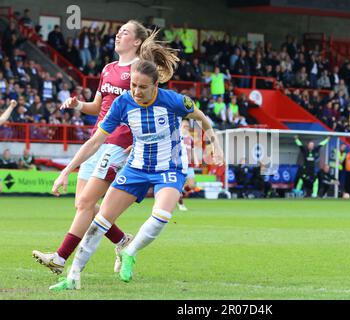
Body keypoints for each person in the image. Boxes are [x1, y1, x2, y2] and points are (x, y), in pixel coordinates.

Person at [48, 60, 224, 290]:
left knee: (161, 214)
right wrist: (67, 170)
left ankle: (130, 251)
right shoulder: (123, 103)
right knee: (101, 220)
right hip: (136, 168)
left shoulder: (173, 100)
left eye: (142, 87)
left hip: (168, 167)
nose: (136, 92)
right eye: (133, 85)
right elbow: (95, 142)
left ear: (155, 86)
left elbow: (201, 118)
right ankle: (72, 277)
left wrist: (215, 146)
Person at [32, 21, 179, 276]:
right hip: (98, 139)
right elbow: (98, 107)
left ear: (136, 42)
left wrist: (140, 138)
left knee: (87, 201)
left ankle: (60, 257)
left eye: (124, 33)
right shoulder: (108, 69)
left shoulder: (140, 71)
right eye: (118, 31)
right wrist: (79, 105)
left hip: (119, 142)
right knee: (82, 204)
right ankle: (122, 240)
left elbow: (151, 105)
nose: (118, 35)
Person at [177, 119, 200, 211]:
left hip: (189, 164)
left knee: (191, 185)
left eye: (187, 126)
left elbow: (193, 150)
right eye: (184, 126)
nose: (186, 128)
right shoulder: (177, 137)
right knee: (177, 185)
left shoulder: (190, 138)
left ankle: (181, 192)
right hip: (179, 164)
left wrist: (197, 160)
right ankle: (181, 204)